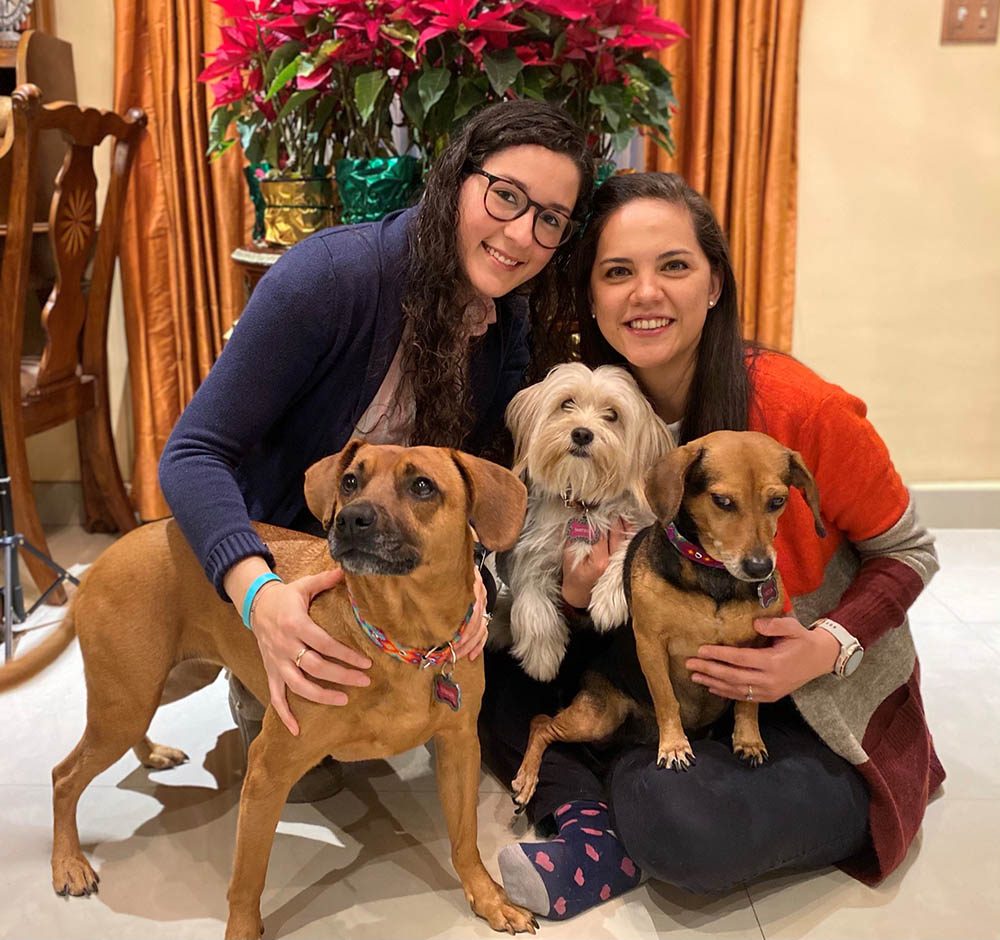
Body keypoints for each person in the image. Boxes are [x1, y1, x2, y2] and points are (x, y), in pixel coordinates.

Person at [480, 171, 943, 918]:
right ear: (593, 297)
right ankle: (596, 823)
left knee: (686, 829)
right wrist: (567, 601)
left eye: (674, 266)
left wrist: (825, 646)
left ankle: (619, 808)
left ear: (715, 284)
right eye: (617, 272)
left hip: (797, 705)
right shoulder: (596, 409)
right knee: (494, 670)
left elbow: (910, 553)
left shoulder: (804, 410)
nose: (645, 294)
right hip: (659, 684)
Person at [159, 99, 595, 799]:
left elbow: (476, 482)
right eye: (506, 196)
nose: (520, 233)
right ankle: (247, 662)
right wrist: (259, 599)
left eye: (549, 219)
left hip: (391, 564)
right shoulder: (328, 279)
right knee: (303, 776)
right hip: (289, 555)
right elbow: (191, 454)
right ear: (456, 179)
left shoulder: (504, 318)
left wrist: (473, 577)